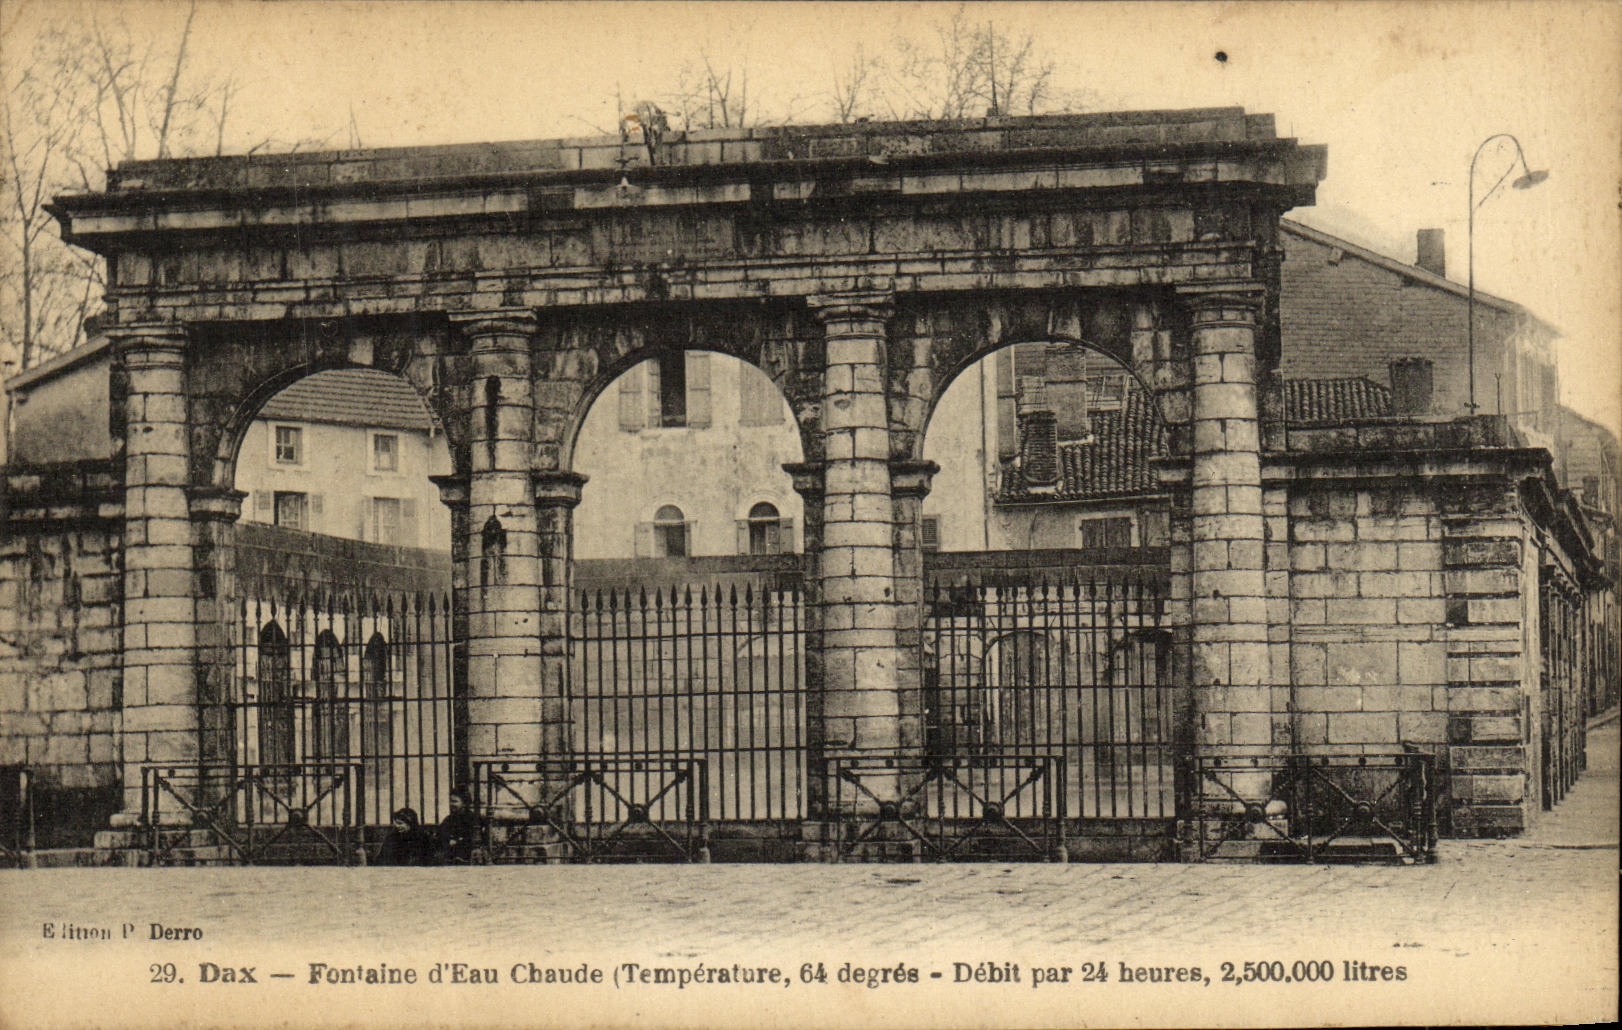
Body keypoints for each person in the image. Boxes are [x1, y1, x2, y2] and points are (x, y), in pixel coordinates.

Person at [436, 790, 483, 864]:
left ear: (464, 803)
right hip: (450, 853)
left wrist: (457, 841)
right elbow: (441, 834)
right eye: (450, 801)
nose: (451, 804)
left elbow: (473, 838)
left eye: (455, 801)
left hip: (466, 854)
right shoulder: (449, 819)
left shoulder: (473, 818)